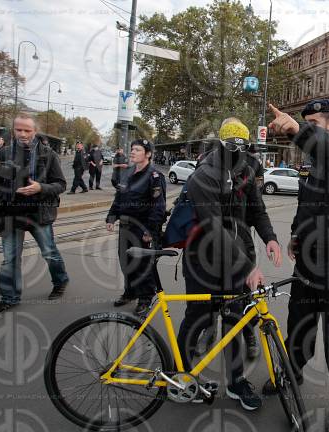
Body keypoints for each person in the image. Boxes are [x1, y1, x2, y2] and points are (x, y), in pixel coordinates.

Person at [266, 99, 329, 432]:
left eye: (314, 124)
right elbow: (305, 204)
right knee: (299, 326)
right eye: (304, 123)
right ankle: (293, 372)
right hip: (307, 263)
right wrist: (295, 234)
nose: (307, 129)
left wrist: (296, 128)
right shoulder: (311, 165)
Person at [178, 119, 281, 411]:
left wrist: (270, 238)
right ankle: (181, 375)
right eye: (235, 146)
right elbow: (212, 229)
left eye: (244, 146)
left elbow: (258, 210)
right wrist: (248, 267)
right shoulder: (204, 175)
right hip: (203, 261)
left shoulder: (245, 170)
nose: (240, 152)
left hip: (236, 259)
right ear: (222, 144)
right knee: (197, 317)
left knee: (236, 321)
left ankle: (236, 383)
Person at [0, 113, 69, 317]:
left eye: (27, 130)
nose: (22, 134)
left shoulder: (48, 154)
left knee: (49, 253)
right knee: (10, 259)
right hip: (11, 213)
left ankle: (60, 281)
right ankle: (9, 298)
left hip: (38, 213)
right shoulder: (3, 153)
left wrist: (40, 187)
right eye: (19, 130)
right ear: (13, 130)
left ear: (34, 132)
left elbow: (61, 184)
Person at [106, 139, 166, 315]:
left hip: (142, 229)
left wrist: (150, 230)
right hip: (125, 227)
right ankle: (130, 292)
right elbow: (118, 199)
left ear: (147, 154)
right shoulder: (127, 173)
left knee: (142, 266)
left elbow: (158, 207)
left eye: (137, 150)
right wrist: (111, 217)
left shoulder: (155, 176)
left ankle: (145, 298)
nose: (132, 152)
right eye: (132, 149)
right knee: (126, 263)